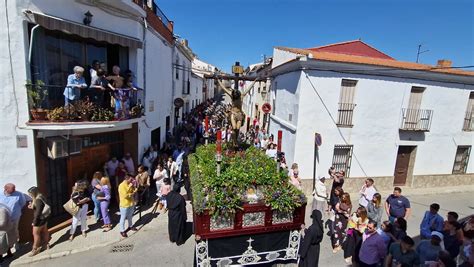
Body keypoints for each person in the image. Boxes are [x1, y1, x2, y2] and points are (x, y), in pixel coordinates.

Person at [0, 183, 27, 257]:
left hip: (14, 218)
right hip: (3, 219)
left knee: (13, 233)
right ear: (5, 189)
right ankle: (2, 252)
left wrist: (15, 211)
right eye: (12, 188)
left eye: (14, 188)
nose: (15, 190)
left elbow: (23, 204)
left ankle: (11, 248)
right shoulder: (0, 194)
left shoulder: (19, 194)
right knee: (2, 236)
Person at [27, 186, 50, 257]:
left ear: (33, 193)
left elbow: (38, 212)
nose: (29, 195)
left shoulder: (38, 200)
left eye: (30, 194)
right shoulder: (42, 197)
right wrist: (33, 206)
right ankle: (46, 245)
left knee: (35, 234)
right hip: (44, 218)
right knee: (45, 231)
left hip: (39, 220)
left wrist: (34, 222)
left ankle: (35, 249)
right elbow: (41, 207)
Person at [118, 174, 138, 238]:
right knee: (123, 218)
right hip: (124, 205)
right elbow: (125, 196)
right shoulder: (121, 185)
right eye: (131, 179)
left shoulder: (130, 184)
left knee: (130, 216)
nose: (132, 180)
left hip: (131, 203)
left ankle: (130, 226)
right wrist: (130, 188)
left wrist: (135, 189)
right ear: (127, 179)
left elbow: (133, 191)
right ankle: (122, 230)